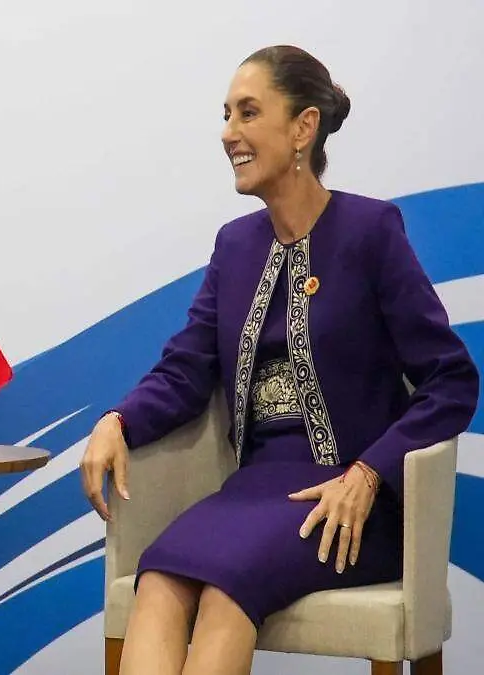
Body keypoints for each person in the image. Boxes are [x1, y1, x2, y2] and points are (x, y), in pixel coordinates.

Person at [80, 45, 479, 675]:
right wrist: (117, 421)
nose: (228, 133)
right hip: (253, 490)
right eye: (226, 115)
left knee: (225, 593)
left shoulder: (371, 231)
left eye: (247, 113)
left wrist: (368, 474)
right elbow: (185, 369)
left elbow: (451, 380)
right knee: (159, 579)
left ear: (303, 127)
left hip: (350, 502)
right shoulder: (235, 246)